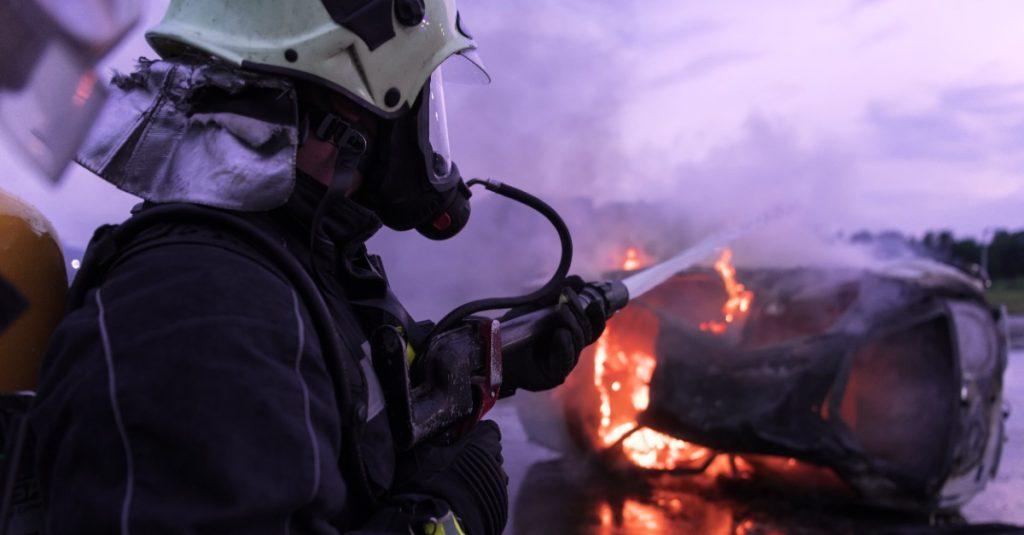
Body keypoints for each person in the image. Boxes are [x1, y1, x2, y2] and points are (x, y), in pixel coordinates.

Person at [27, 1, 606, 533]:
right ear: (348, 111)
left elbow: (338, 400)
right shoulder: (201, 317)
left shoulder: (285, 262)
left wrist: (492, 360)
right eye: (419, 99)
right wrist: (454, 506)